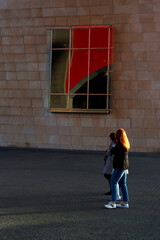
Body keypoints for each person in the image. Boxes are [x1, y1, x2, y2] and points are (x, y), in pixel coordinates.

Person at [104, 128, 130, 209]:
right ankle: (125, 202)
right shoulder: (126, 144)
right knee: (123, 184)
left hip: (119, 167)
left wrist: (113, 146)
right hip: (125, 167)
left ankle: (113, 202)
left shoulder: (119, 144)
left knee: (113, 181)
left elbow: (112, 151)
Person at [103, 133, 121, 199]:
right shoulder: (114, 143)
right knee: (110, 177)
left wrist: (108, 152)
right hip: (111, 163)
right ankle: (113, 191)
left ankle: (115, 193)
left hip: (112, 163)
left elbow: (112, 153)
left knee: (110, 177)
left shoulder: (114, 144)